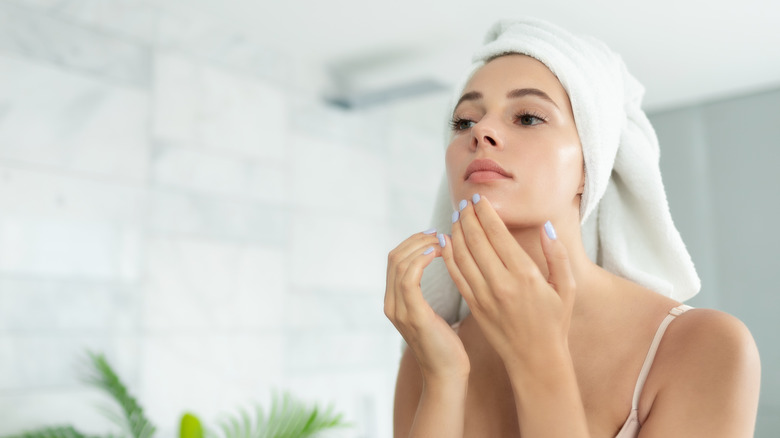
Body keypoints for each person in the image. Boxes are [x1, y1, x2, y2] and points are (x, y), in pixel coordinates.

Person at [383, 18, 761, 438]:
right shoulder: (428, 356)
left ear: (589, 167)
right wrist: (443, 380)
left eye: (527, 117)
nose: (482, 131)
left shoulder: (702, 347)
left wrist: (539, 360)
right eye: (464, 122)